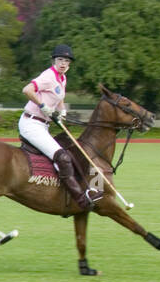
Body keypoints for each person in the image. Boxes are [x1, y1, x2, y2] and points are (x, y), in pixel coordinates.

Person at [19, 44, 102, 211]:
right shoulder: (48, 76)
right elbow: (27, 90)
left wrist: (62, 110)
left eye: (66, 61)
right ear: (54, 61)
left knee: (70, 149)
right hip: (31, 124)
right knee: (62, 157)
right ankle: (80, 199)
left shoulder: (62, 78)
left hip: (43, 125)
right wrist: (42, 105)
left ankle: (84, 186)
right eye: (60, 60)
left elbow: (59, 96)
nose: (63, 63)